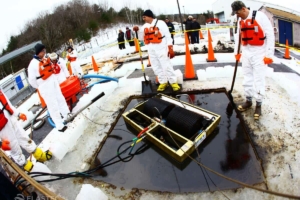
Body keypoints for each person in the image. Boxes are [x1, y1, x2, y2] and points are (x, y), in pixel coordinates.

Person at [231, 1, 274, 120]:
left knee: (259, 79)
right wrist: (237, 52)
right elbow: (238, 37)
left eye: (238, 13)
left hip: (259, 53)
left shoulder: (260, 17)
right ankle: (249, 100)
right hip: (246, 52)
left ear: (244, 9)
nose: (237, 16)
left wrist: (269, 54)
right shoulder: (240, 20)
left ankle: (258, 104)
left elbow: (270, 35)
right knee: (247, 77)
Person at [0, 89, 52, 172]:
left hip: (11, 119)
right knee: (14, 148)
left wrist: (18, 114)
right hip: (2, 129)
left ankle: (40, 155)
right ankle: (28, 168)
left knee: (24, 137)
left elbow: (6, 102)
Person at [28, 43, 71, 132]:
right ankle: (59, 125)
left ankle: (67, 115)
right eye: (43, 51)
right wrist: (40, 86)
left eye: (45, 50)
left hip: (53, 81)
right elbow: (32, 80)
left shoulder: (45, 59)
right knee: (53, 105)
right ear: (39, 52)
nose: (44, 52)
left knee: (60, 99)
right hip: (45, 85)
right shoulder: (32, 64)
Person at [142, 9, 180, 92]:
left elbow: (168, 36)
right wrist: (136, 31)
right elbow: (140, 38)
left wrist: (170, 48)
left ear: (149, 16)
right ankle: (163, 82)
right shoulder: (144, 26)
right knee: (156, 67)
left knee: (166, 65)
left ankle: (173, 82)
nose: (143, 19)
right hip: (151, 49)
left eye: (144, 17)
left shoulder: (161, 23)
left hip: (161, 48)